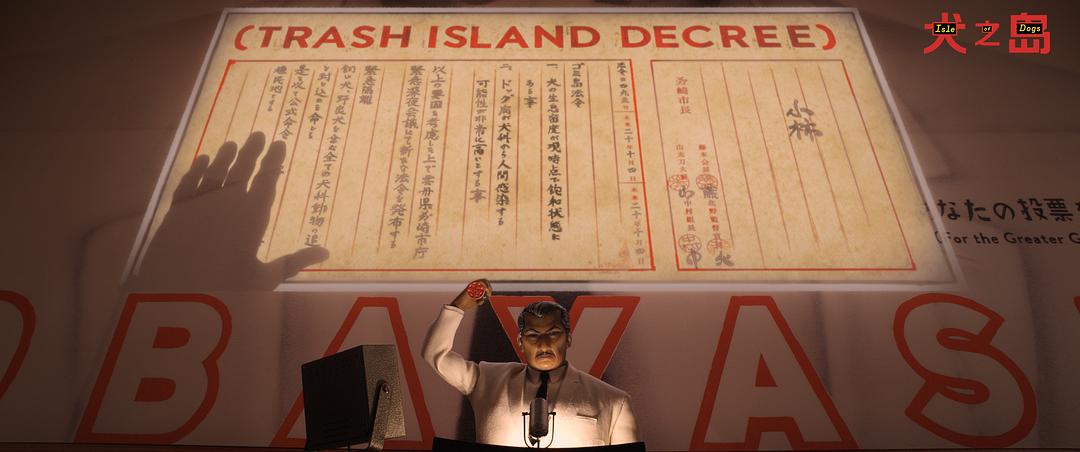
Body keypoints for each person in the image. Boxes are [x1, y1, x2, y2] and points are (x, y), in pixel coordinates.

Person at [422, 279, 640, 447]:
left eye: (553, 334)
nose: (544, 344)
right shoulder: (487, 381)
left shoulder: (613, 402)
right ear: (520, 341)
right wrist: (458, 306)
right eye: (533, 335)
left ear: (568, 338)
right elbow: (435, 353)